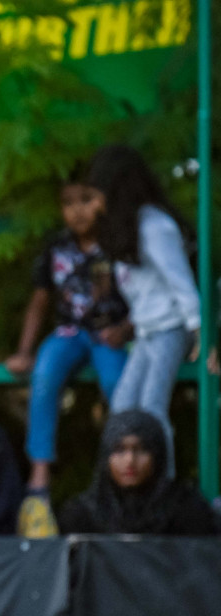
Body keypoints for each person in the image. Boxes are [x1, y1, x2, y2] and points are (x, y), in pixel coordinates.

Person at [4, 168, 132, 493]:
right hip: (68, 332)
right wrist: (23, 351)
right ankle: (40, 471)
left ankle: (121, 469)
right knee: (44, 377)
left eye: (86, 200)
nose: (77, 211)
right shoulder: (54, 247)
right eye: (68, 203)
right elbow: (39, 301)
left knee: (118, 385)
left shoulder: (118, 244)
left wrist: (127, 329)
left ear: (103, 202)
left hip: (110, 334)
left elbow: (144, 297)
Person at [87, 145, 201, 472]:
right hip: (148, 331)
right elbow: (142, 297)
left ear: (116, 190)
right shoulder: (130, 227)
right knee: (122, 408)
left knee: (152, 411)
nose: (94, 205)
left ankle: (161, 491)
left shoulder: (156, 227)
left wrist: (200, 331)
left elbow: (181, 282)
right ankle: (120, 492)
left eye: (96, 195)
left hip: (171, 328)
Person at [57, 409, 217, 536]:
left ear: (158, 455)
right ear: (105, 457)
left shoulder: (186, 511)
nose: (130, 461)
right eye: (119, 450)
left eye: (141, 450)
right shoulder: (82, 516)